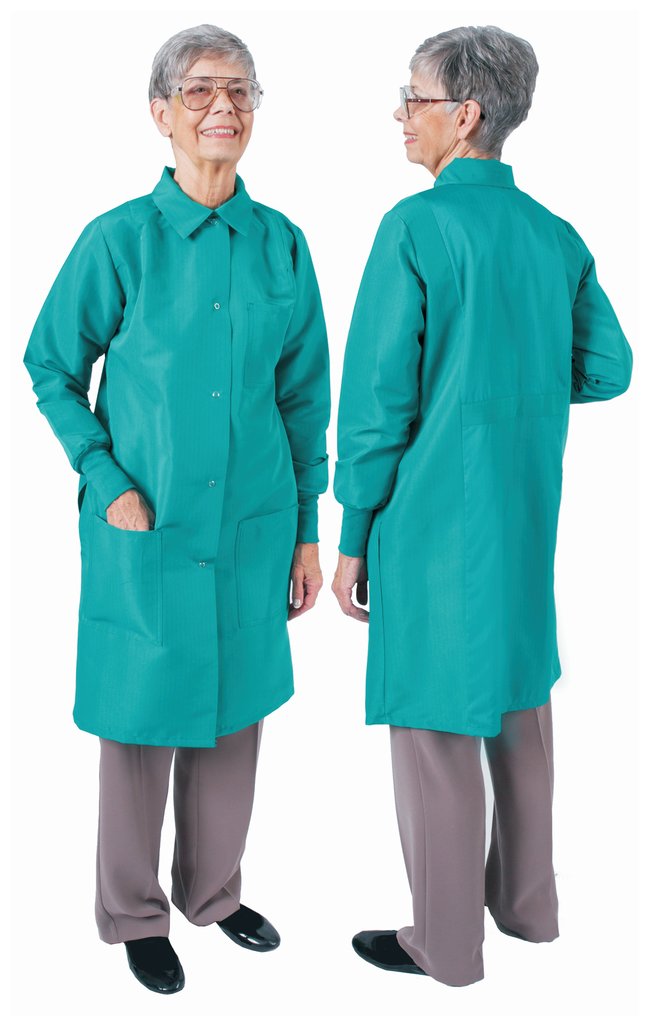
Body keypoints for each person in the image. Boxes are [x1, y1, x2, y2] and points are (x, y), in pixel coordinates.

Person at [23, 23, 330, 995]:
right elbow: (51, 366)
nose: (222, 108)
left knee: (234, 722)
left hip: (252, 530)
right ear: (160, 113)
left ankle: (213, 893)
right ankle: (133, 913)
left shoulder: (282, 245)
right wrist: (104, 476)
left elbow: (302, 399)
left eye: (240, 90)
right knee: (139, 724)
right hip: (147, 530)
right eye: (199, 90)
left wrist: (307, 532)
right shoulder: (118, 241)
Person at [331, 24, 632, 988]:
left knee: (436, 732)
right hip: (525, 515)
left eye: (413, 98)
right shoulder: (555, 235)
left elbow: (376, 405)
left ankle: (446, 942)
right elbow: (609, 367)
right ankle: (529, 910)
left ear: (464, 116)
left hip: (428, 525)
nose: (400, 115)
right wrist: (514, 388)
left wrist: (352, 533)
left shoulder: (415, 228)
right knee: (519, 706)